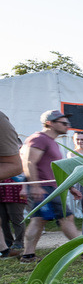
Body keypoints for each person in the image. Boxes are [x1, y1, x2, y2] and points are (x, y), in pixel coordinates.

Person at [19, 111, 82, 264]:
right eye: (63, 123)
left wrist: (69, 187)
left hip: (50, 186)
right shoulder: (39, 139)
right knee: (66, 218)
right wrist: (35, 186)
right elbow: (29, 162)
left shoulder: (51, 141)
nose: (68, 126)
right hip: (44, 187)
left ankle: (28, 255)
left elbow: (53, 169)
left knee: (39, 220)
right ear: (50, 123)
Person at [0, 110, 24, 257]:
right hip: (5, 189)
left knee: (16, 217)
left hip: (14, 189)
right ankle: (5, 247)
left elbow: (15, 165)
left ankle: (17, 243)